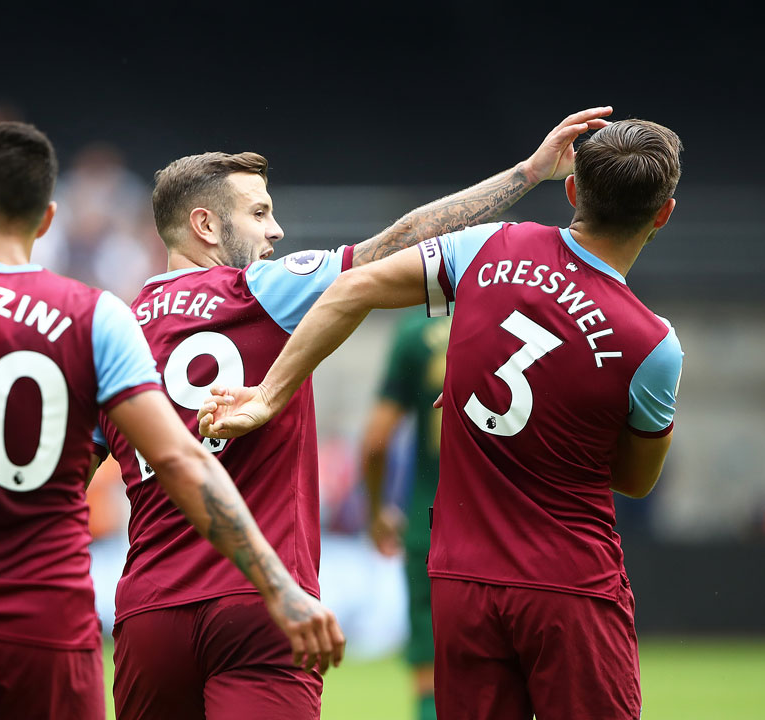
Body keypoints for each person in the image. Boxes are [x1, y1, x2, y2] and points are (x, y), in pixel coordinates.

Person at [95, 106, 612, 720]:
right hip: (258, 603)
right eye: (259, 213)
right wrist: (528, 173)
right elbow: (402, 243)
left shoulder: (114, 332)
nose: (276, 231)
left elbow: (65, 475)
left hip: (148, 612)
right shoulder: (261, 289)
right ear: (205, 225)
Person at [199, 117, 683, 720]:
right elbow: (633, 479)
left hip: (461, 579)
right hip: (570, 581)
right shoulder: (653, 344)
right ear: (662, 213)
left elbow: (351, 289)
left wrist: (269, 396)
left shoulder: (491, 247)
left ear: (571, 192)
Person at [0, 121, 341, 720]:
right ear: (46, 219)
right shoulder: (93, 318)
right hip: (56, 620)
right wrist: (276, 584)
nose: (275, 230)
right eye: (261, 213)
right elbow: (176, 457)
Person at [360, 312, 450, 720]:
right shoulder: (526, 317)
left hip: (432, 523)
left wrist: (377, 512)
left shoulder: (418, 334)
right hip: (511, 525)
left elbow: (376, 441)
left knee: (431, 675)